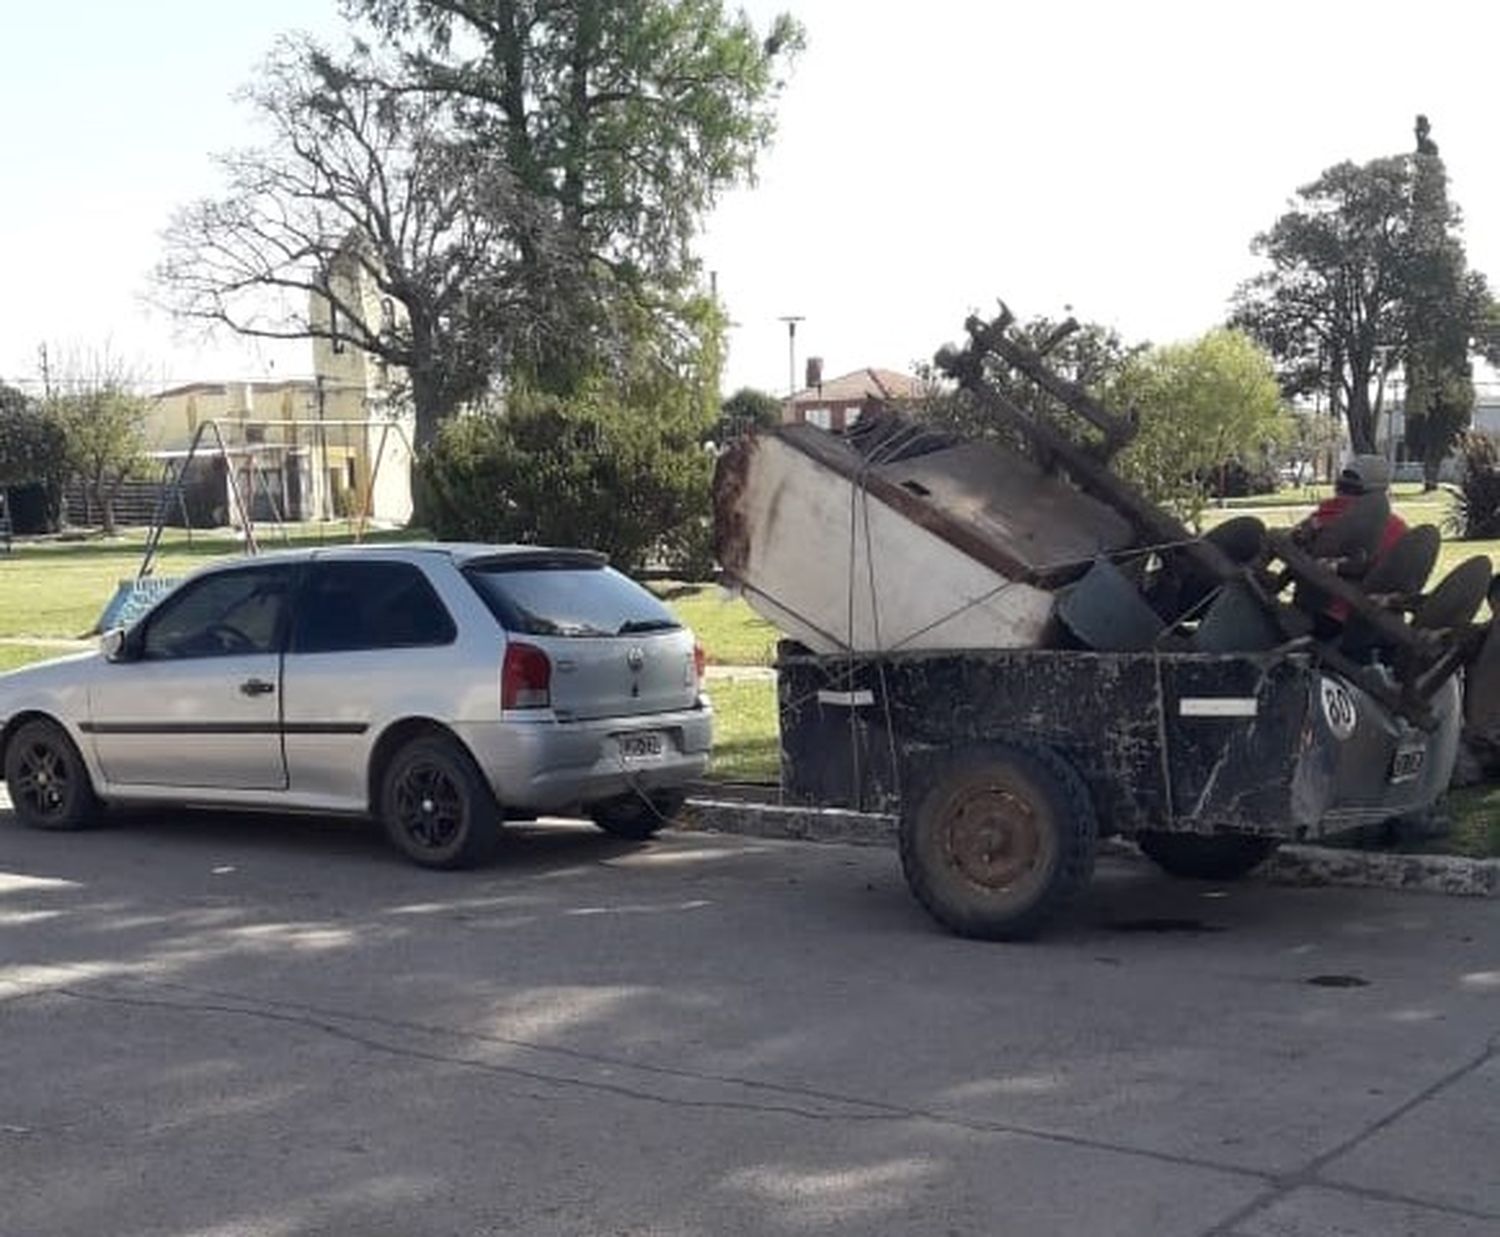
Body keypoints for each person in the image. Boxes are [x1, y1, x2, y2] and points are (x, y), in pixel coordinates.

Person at [1292, 454, 1407, 626]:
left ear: (1340, 485)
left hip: (1317, 614)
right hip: (1372, 622)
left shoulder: (1321, 519)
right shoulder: (1399, 528)